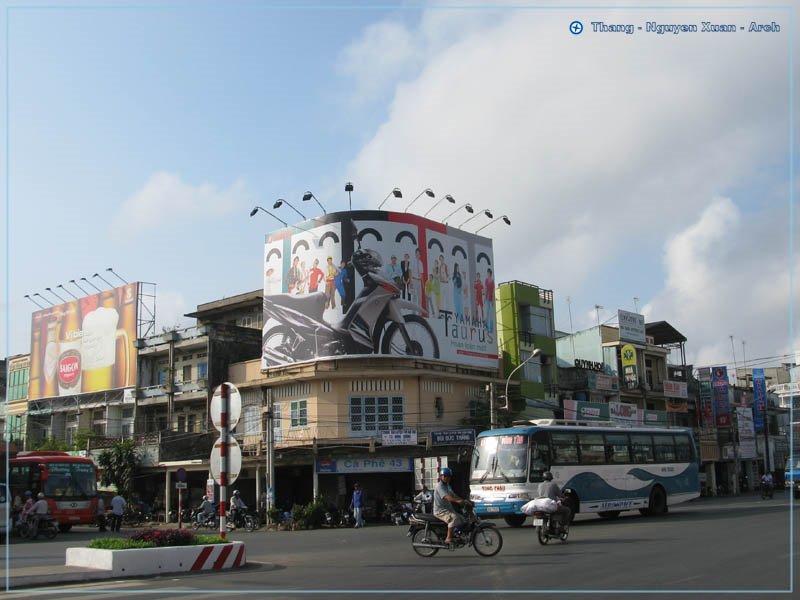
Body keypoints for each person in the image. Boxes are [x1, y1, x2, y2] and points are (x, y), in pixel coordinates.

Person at [434, 467, 467, 546]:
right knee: (454, 518)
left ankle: (455, 535)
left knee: (463, 519)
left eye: (449, 476)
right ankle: (448, 538)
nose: (447, 478)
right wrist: (458, 501)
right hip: (440, 511)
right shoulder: (440, 486)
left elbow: (453, 495)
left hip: (448, 510)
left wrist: (464, 501)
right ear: (441, 476)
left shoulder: (447, 486)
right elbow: (447, 497)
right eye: (445, 476)